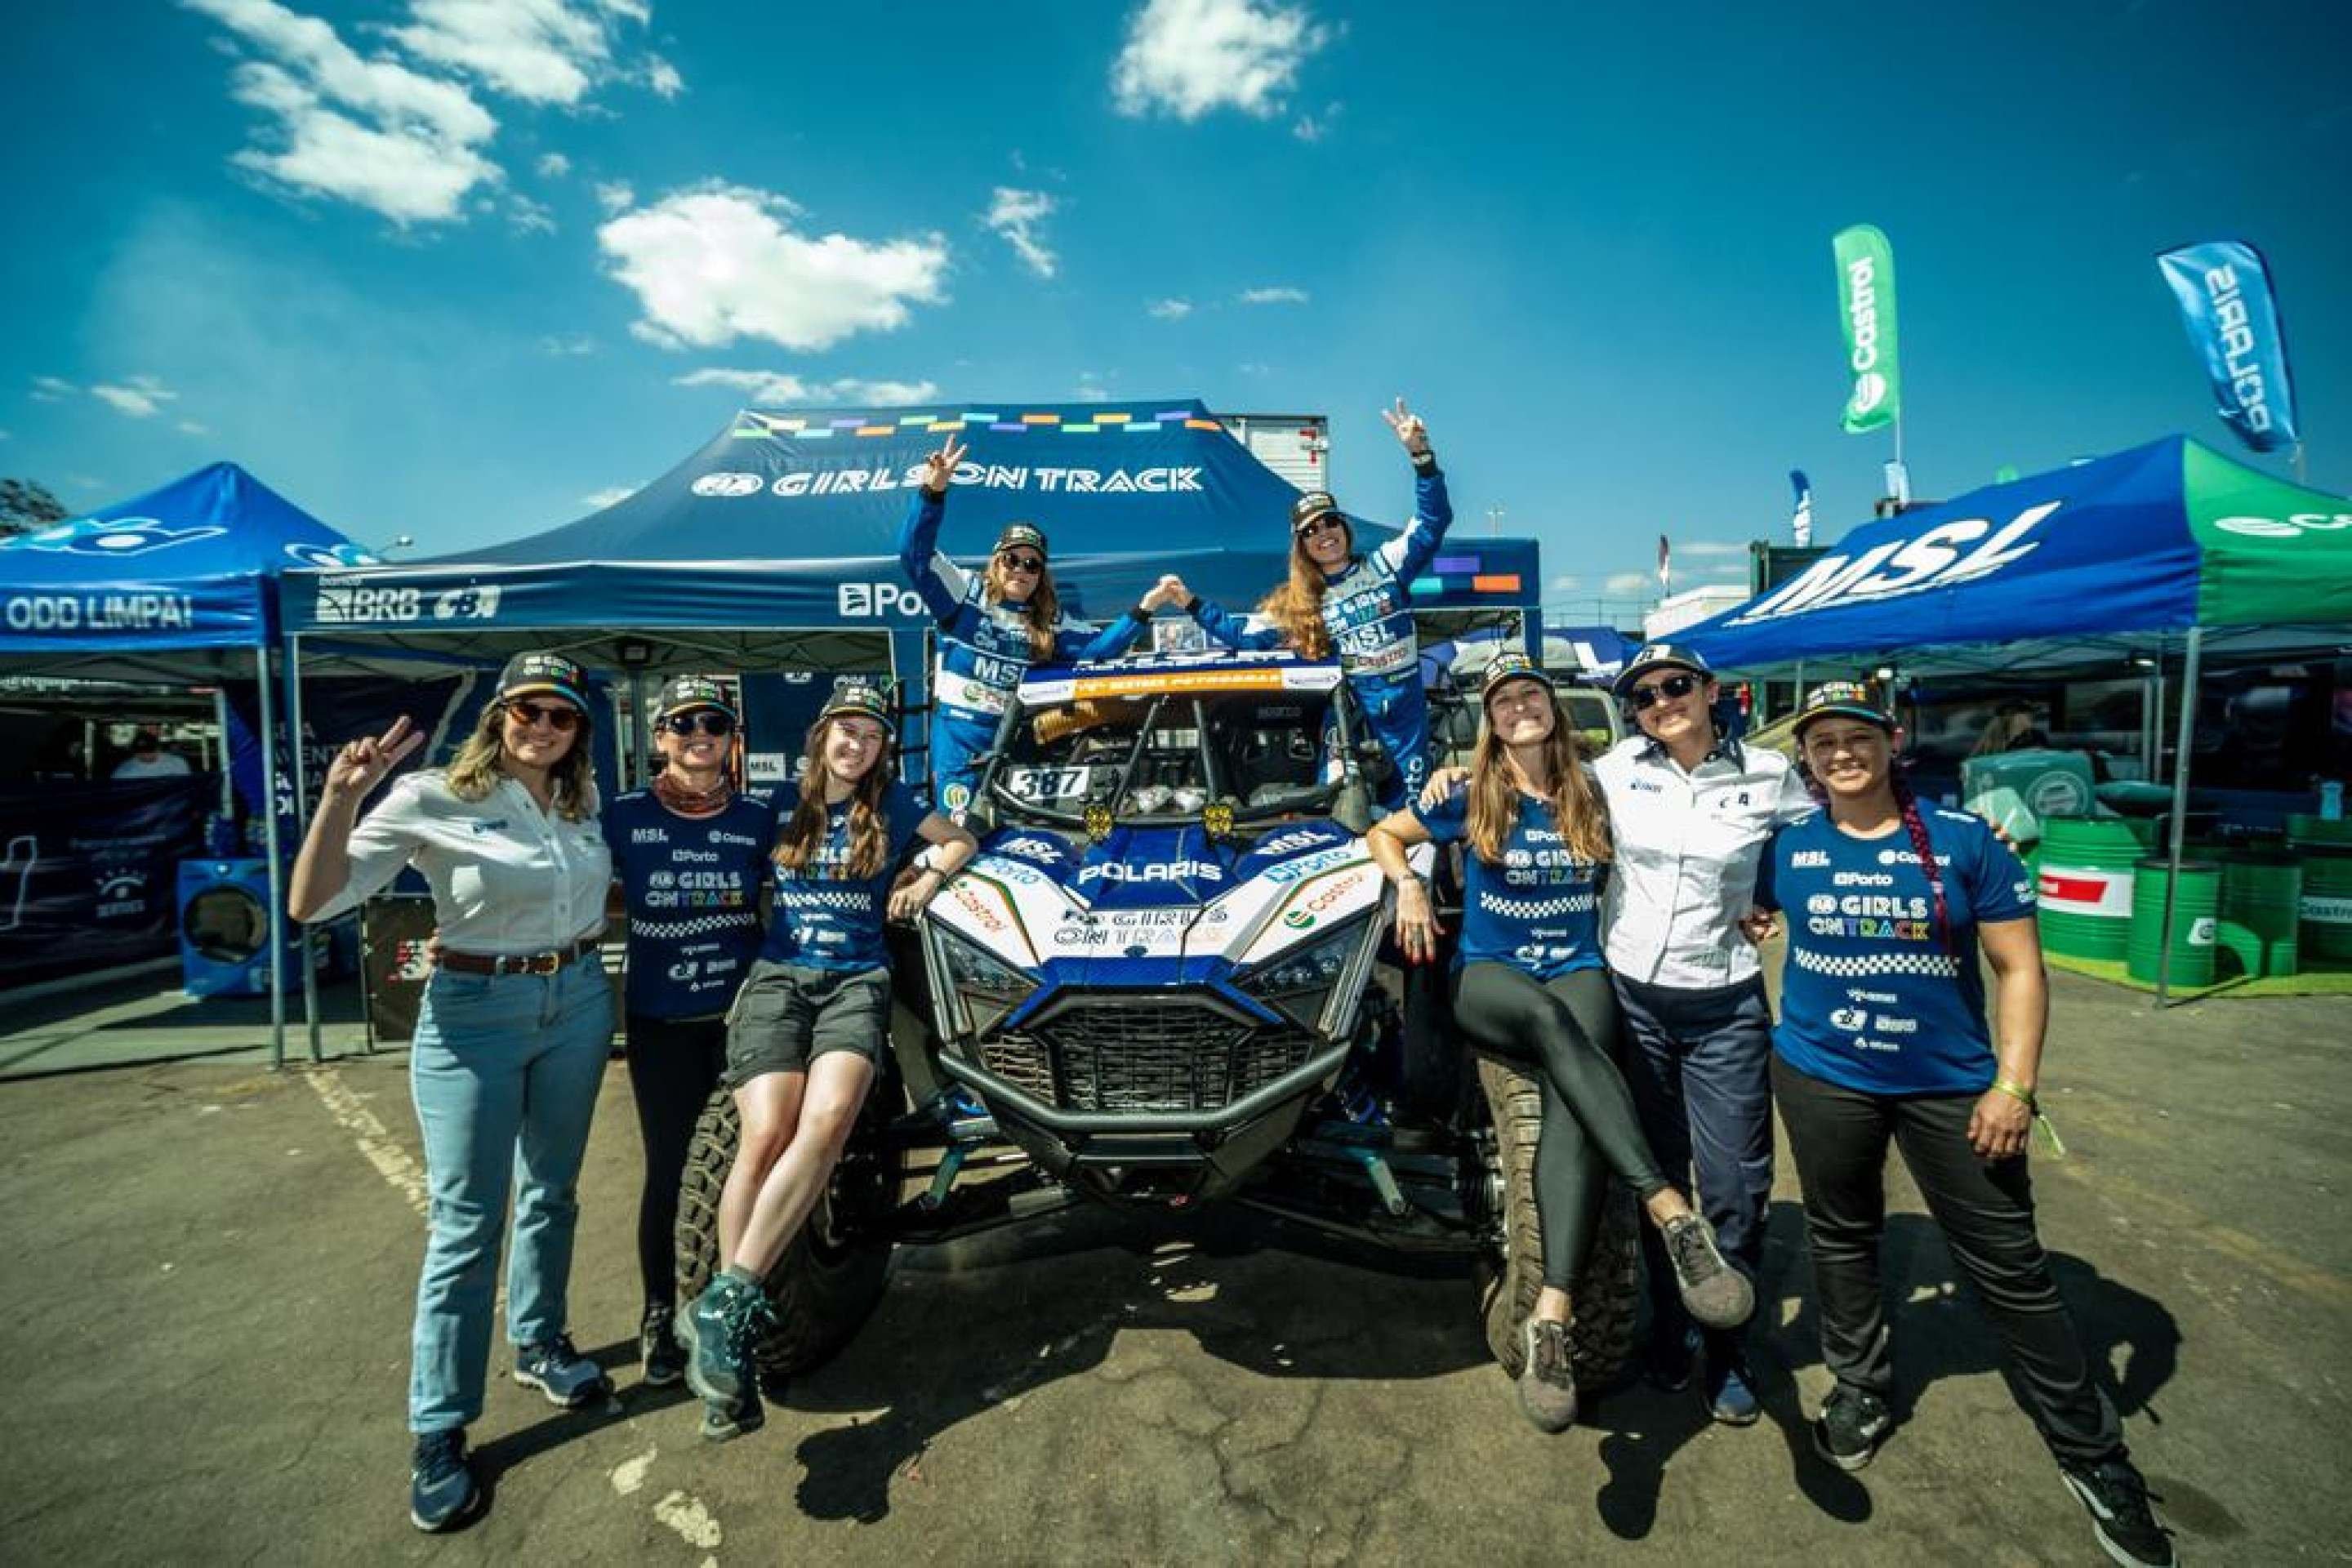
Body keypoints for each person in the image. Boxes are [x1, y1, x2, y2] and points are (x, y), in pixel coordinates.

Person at [1748, 681, 2175, 1567]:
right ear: (1808, 759)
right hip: (1825, 1078)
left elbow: (2020, 969)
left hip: (1953, 1090)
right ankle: (1861, 1387)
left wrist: (2013, 1089)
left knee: (2011, 1266)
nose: (1839, 754)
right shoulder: (1786, 848)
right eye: (1822, 743)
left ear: (1891, 742)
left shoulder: (1963, 841)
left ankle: (2093, 1453)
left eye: (1855, 738)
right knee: (1841, 1236)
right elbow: (1749, 912)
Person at [1367, 653, 1754, 1434]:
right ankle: (1670, 1208)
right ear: (1491, 719)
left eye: (1530, 696)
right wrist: (1409, 882)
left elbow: (1694, 820)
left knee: (1577, 1093)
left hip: (1579, 964)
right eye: (1503, 700)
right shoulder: (1472, 791)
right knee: (1555, 1028)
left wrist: (1751, 901)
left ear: (1552, 709)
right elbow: (1383, 831)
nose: (1518, 709)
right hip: (1495, 980)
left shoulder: (1597, 788)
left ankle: (1550, 1315)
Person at [289, 652, 616, 1534]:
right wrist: (339, 799)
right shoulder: (432, 794)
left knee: (552, 1192)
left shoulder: (578, 802)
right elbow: (313, 903)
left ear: (578, 730)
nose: (541, 727)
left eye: (560, 716)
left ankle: (539, 1341)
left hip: (578, 999)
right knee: (468, 1220)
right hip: (473, 1013)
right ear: (499, 715)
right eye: (527, 711)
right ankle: (439, 1426)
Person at [681, 680, 976, 1440]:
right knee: (764, 1131)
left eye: (872, 735)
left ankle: (728, 1299)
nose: (857, 744)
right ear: (822, 737)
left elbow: (960, 840)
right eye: (847, 730)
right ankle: (730, 1340)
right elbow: (703, 837)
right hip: (779, 982)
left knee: (831, 1118)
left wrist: (924, 876)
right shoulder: (773, 805)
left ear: (881, 750)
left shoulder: (897, 805)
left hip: (856, 983)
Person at [601, 675, 777, 1389]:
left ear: (734, 739)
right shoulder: (620, 814)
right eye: (682, 723)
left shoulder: (760, 817)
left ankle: (736, 1307)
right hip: (663, 1022)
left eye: (715, 722)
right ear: (659, 737)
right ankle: (657, 1313)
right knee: (670, 1171)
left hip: (746, 1021)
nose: (699, 732)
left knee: (755, 1167)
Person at [1174, 399, 1452, 812]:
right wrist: (1191, 603)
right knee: (1343, 815)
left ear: (1344, 528)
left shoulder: (1386, 565)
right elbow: (1243, 637)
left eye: (1330, 523)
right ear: (1302, 545)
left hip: (1407, 720)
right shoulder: (1300, 601)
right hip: (1349, 721)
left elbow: (1433, 522)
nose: (1324, 534)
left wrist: (1421, 456)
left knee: (1415, 817)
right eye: (1311, 531)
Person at [898, 434, 1174, 816]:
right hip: (958, 746)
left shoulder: (1049, 622)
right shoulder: (966, 592)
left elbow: (1098, 650)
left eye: (1033, 564)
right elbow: (915, 557)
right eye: (1013, 559)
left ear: (1041, 575)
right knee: (960, 835)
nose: (1021, 569)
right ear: (997, 562)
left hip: (1012, 746)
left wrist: (1146, 608)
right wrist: (932, 492)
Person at [112, 726, 192, 778]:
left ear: (158, 749)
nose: (145, 755)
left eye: (149, 750)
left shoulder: (178, 763)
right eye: (140, 752)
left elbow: (186, 788)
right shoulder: (124, 771)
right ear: (135, 753)